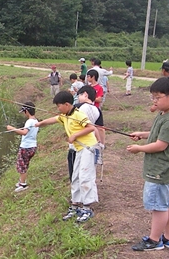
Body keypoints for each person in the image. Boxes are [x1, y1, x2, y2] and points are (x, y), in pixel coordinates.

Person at [127, 77, 169, 251]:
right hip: (166, 171)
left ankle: (154, 240)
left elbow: (160, 145)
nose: (154, 101)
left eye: (158, 98)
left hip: (160, 172)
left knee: (158, 207)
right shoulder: (165, 114)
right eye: (153, 97)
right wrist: (143, 135)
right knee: (166, 205)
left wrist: (140, 148)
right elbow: (157, 134)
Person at [35, 91, 98, 223]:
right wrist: (40, 124)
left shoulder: (78, 114)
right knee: (75, 176)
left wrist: (75, 135)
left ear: (67, 104)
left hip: (88, 148)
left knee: (85, 177)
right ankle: (75, 205)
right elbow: (53, 119)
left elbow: (91, 128)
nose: (58, 108)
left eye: (59, 106)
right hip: (79, 149)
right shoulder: (64, 115)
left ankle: (87, 208)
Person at [67, 85, 104, 182]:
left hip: (76, 146)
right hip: (91, 146)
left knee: (75, 174)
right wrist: (101, 145)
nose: (78, 98)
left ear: (85, 95)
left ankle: (76, 196)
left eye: (79, 95)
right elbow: (100, 129)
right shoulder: (97, 110)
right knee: (87, 174)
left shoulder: (77, 108)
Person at [7, 101, 39, 192]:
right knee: (25, 164)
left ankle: (23, 184)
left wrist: (12, 128)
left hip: (26, 147)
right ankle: (21, 181)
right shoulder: (35, 121)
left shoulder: (29, 122)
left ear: (26, 111)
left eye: (24, 112)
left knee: (22, 165)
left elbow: (24, 133)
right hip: (32, 146)